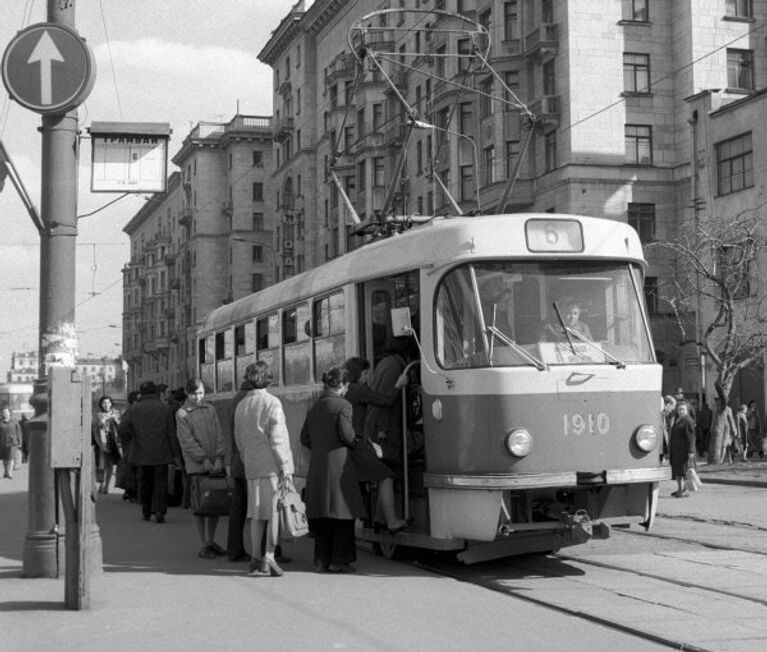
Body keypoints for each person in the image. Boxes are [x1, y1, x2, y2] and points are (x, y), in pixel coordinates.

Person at [301, 367, 364, 573]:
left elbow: (304, 438)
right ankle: (340, 560)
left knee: (322, 514)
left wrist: (320, 448)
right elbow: (347, 436)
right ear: (342, 386)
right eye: (346, 387)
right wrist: (358, 443)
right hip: (339, 465)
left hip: (318, 467)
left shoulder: (314, 407)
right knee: (342, 513)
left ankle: (321, 561)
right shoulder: (343, 406)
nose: (347, 391)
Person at [234, 361, 294, 577]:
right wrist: (285, 467)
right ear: (268, 378)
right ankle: (269, 556)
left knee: (256, 513)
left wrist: (245, 456)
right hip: (271, 466)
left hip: (251, 464)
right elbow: (278, 439)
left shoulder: (242, 405)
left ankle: (255, 557)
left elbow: (238, 438)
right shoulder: (272, 403)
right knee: (273, 513)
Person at [343, 357, 410, 533]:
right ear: (358, 374)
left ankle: (363, 522)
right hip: (357, 445)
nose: (367, 378)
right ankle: (392, 521)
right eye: (365, 374)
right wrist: (399, 385)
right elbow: (386, 400)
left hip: (345, 445)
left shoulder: (344, 390)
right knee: (385, 475)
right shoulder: (358, 390)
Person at [175, 377, 227, 559]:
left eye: (200, 393)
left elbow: (219, 433)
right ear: (187, 393)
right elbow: (187, 441)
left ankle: (211, 541)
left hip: (214, 463)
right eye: (194, 393)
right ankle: (202, 544)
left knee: (215, 503)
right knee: (199, 506)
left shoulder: (210, 409)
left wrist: (219, 456)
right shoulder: (181, 414)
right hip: (197, 466)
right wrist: (203, 458)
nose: (197, 397)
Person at [118, 381, 181, 523]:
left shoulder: (134, 409)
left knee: (145, 481)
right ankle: (159, 511)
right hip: (162, 452)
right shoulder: (164, 408)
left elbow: (122, 429)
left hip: (141, 452)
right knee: (160, 482)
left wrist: (129, 445)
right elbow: (171, 433)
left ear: (142, 393)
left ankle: (146, 511)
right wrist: (175, 454)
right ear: (156, 392)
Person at [364, 335, 418, 468]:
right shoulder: (394, 367)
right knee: (388, 471)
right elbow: (384, 400)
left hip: (384, 427)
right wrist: (382, 431)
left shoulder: (387, 363)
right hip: (386, 430)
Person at [92, 395, 122, 494]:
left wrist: (116, 421)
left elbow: (121, 427)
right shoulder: (98, 415)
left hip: (113, 443)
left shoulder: (116, 413)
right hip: (102, 443)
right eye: (104, 403)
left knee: (110, 465)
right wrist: (101, 423)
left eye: (108, 402)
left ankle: (107, 486)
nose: (106, 405)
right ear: (101, 404)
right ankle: (101, 484)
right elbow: (94, 429)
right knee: (102, 465)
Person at [669, 401, 696, 497]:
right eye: (680, 409)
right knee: (679, 472)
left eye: (683, 409)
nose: (681, 411)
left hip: (684, 451)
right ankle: (681, 489)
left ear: (687, 410)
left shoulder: (687, 421)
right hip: (677, 451)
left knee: (682, 472)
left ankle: (683, 491)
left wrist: (691, 451)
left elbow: (691, 438)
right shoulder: (679, 420)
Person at [708, 396, 736, 465]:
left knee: (724, 444)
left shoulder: (728, 409)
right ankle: (728, 459)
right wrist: (711, 428)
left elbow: (731, 420)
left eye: (718, 401)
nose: (717, 403)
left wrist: (734, 429)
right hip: (717, 428)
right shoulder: (716, 409)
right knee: (723, 444)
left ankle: (722, 459)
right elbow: (713, 419)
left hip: (726, 428)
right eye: (716, 401)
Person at [0, 406, 22, 479]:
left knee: (11, 458)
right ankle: (6, 472)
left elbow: (18, 432)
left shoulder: (14, 421)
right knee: (5, 459)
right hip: (3, 443)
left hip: (13, 442)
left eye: (6, 412)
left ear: (9, 413)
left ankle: (10, 473)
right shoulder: (0, 422)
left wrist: (20, 441)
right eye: (3, 412)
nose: (4, 413)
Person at [661, 395, 677, 462]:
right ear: (668, 404)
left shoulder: (663, 414)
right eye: (672, 408)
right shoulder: (660, 414)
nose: (671, 411)